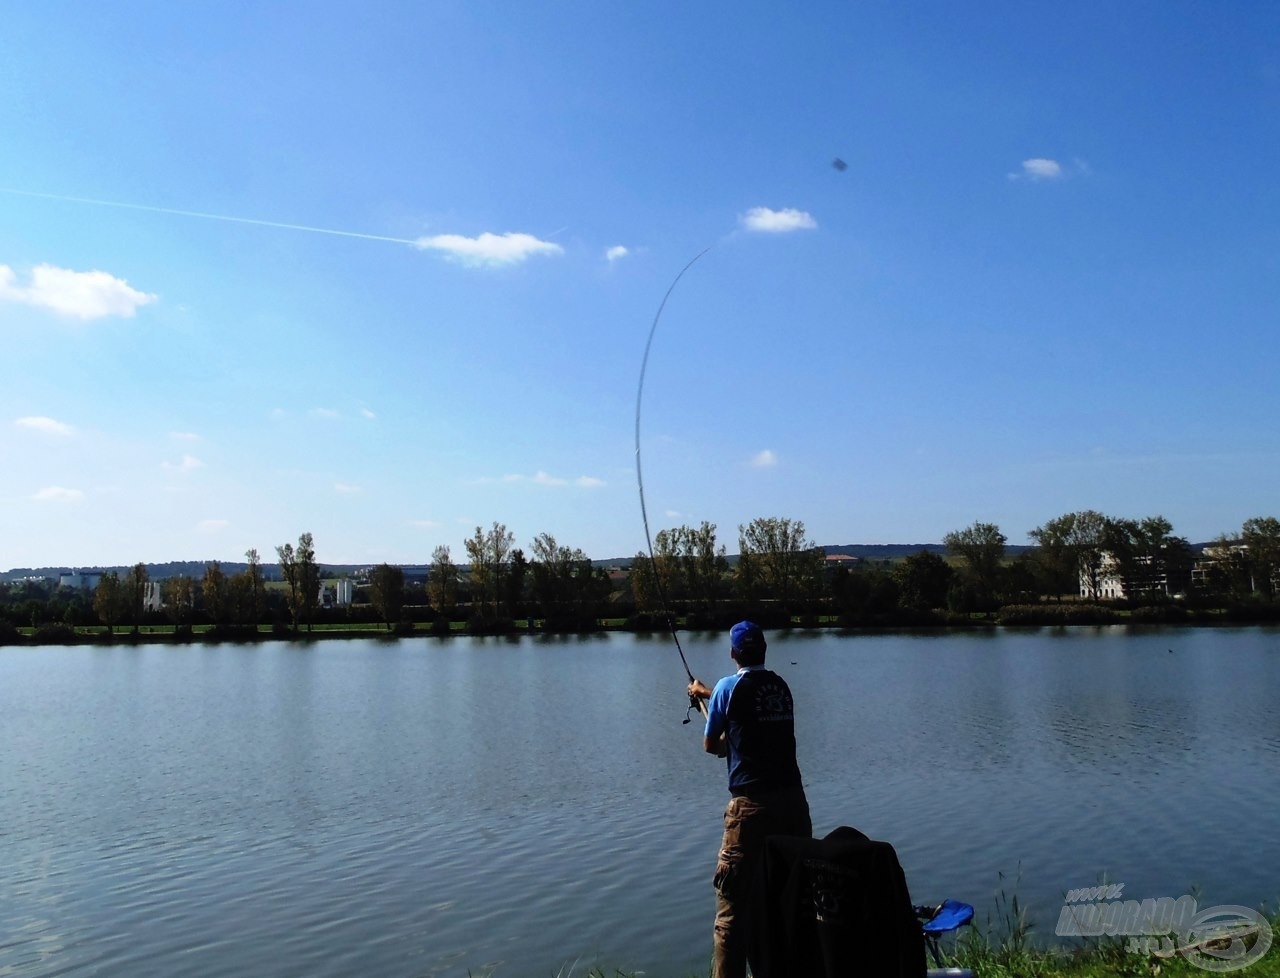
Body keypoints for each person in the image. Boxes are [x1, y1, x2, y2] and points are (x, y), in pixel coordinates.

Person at [688, 620, 812, 978]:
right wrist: (706, 694)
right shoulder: (780, 686)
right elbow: (750, 707)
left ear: (732, 653)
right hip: (795, 808)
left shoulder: (728, 687)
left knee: (730, 917)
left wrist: (707, 705)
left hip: (750, 811)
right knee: (788, 907)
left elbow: (713, 745)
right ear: (764, 650)